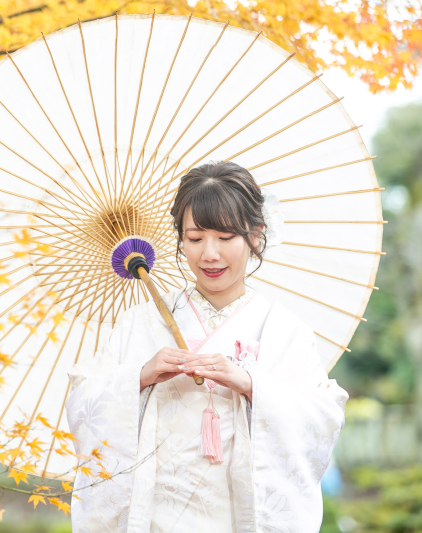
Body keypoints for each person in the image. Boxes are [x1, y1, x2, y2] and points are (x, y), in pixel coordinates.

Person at [65, 161, 349, 533]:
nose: (209, 255)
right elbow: (83, 399)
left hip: (239, 517)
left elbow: (322, 416)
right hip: (153, 516)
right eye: (195, 239)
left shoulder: (284, 330)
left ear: (256, 235)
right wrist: (138, 376)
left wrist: (251, 385)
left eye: (226, 237)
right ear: (180, 240)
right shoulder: (141, 323)